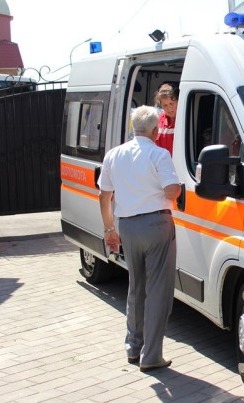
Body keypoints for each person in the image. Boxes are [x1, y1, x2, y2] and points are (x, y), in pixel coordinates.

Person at [97, 105, 181, 373]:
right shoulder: (159, 154)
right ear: (156, 130)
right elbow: (172, 190)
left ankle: (133, 347)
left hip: (127, 226)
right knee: (158, 291)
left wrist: (109, 229)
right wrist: (176, 187)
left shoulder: (114, 155)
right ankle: (151, 355)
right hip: (157, 225)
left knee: (136, 286)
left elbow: (104, 196)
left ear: (134, 128)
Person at [154, 83, 179, 155]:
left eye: (171, 103)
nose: (169, 108)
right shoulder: (157, 121)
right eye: (165, 105)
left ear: (178, 101)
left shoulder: (184, 120)